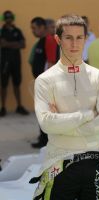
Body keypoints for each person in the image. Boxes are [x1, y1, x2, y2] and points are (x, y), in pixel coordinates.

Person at [30, 14, 99, 200]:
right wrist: (88, 114)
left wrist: (62, 120)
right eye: (68, 38)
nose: (74, 44)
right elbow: (46, 124)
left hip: (94, 164)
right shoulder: (45, 80)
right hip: (58, 165)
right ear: (58, 40)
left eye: (80, 38)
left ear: (86, 39)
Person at [30, 17, 59, 148]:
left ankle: (46, 141)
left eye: (34, 28)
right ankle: (43, 138)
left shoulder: (49, 40)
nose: (32, 31)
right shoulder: (41, 41)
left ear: (42, 27)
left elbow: (51, 62)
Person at [0, 10, 29, 116]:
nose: (8, 19)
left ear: (12, 18)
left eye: (10, 17)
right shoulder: (1, 31)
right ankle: (3, 108)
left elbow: (23, 45)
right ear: (4, 19)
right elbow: (2, 44)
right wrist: (16, 43)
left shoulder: (18, 30)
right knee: (3, 84)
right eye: (6, 17)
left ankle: (19, 106)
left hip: (16, 62)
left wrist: (7, 43)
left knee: (17, 83)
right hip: (4, 62)